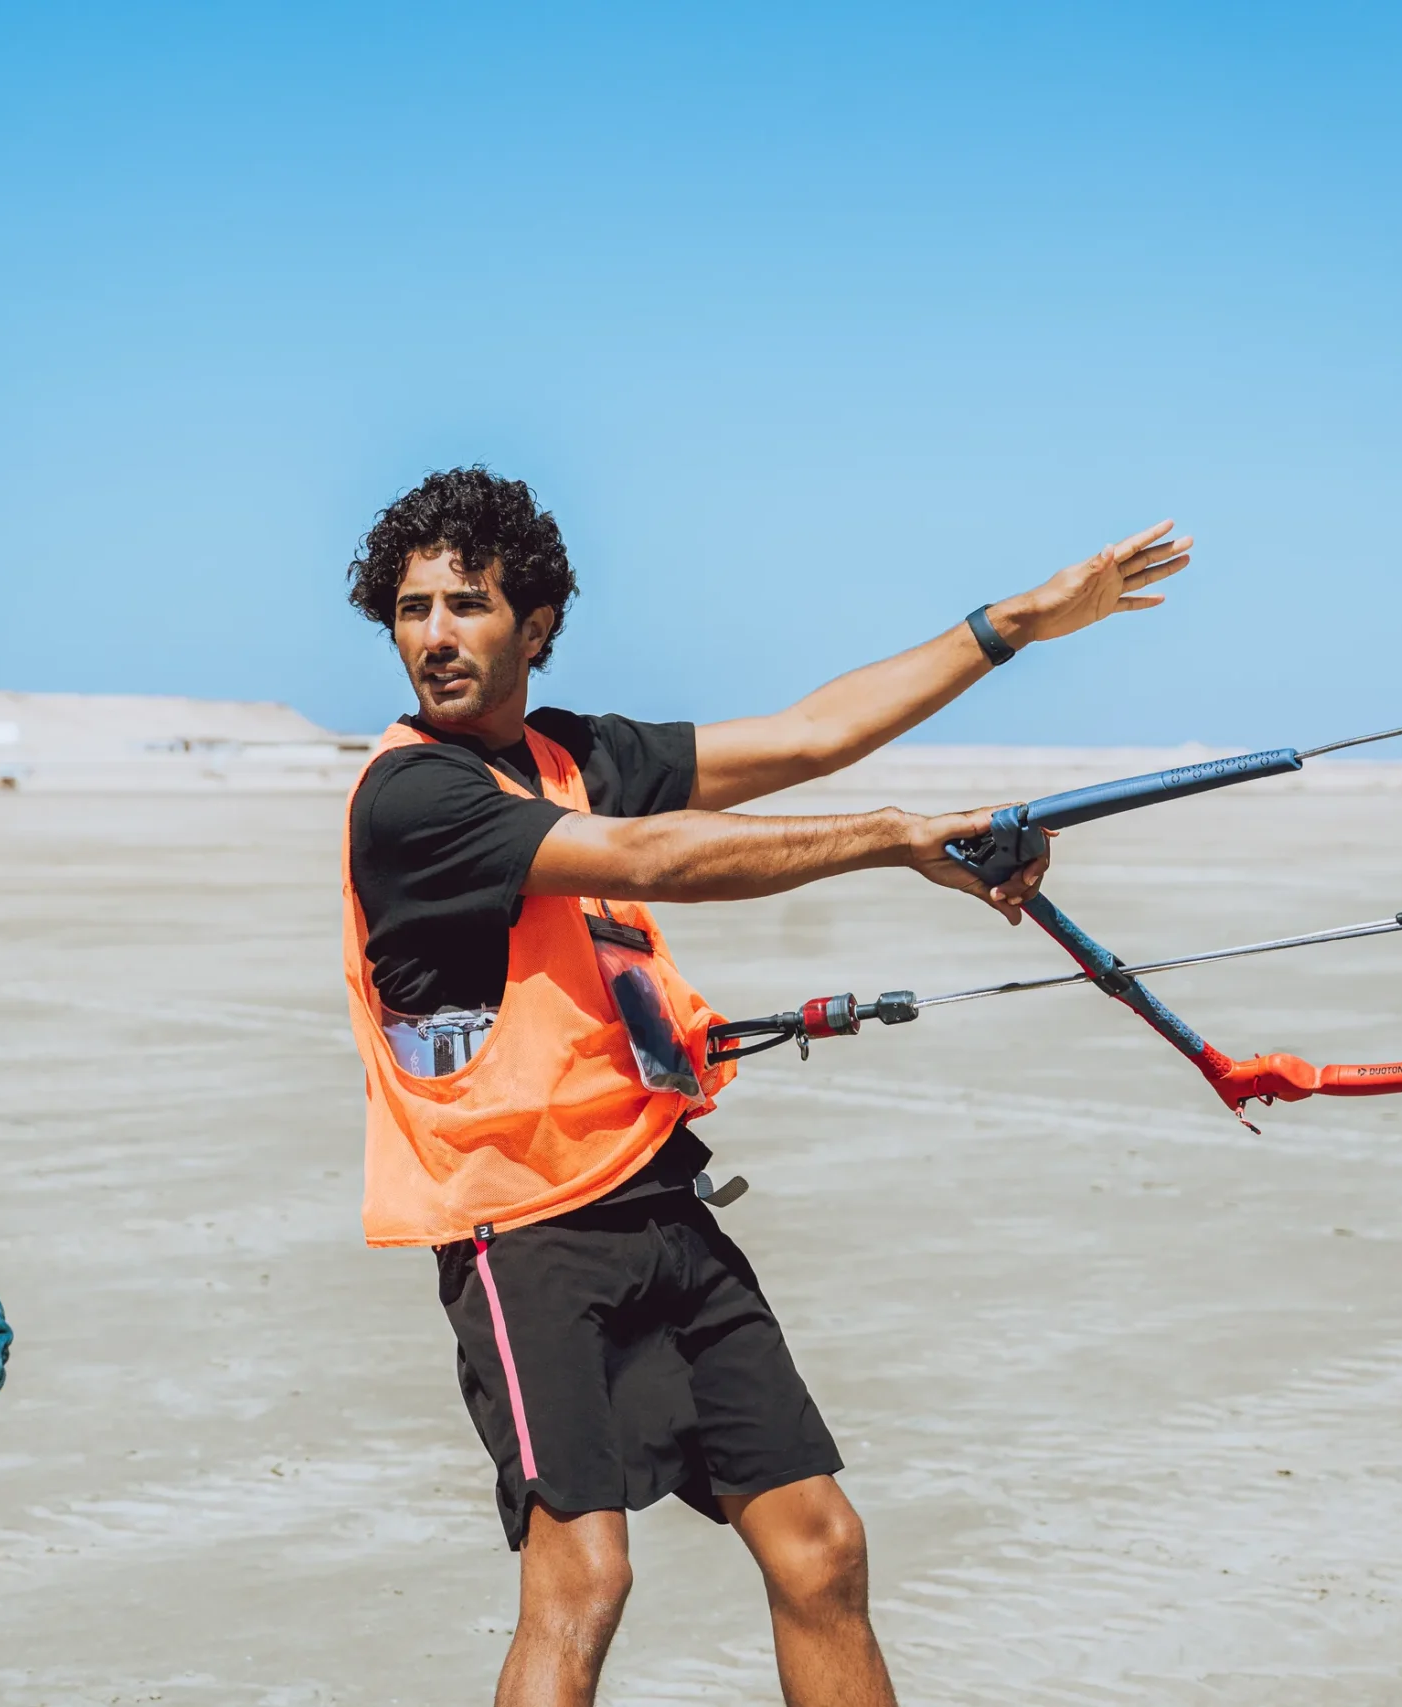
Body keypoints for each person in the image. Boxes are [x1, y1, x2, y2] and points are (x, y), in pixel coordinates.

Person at [339, 467, 1191, 1707]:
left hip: (657, 1203)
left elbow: (809, 737)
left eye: (465, 605)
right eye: (411, 610)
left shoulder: (569, 755)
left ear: (536, 626)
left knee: (820, 1546)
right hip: (520, 1232)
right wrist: (889, 839)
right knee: (583, 1577)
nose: (432, 636)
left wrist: (1018, 622)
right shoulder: (415, 795)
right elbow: (645, 859)